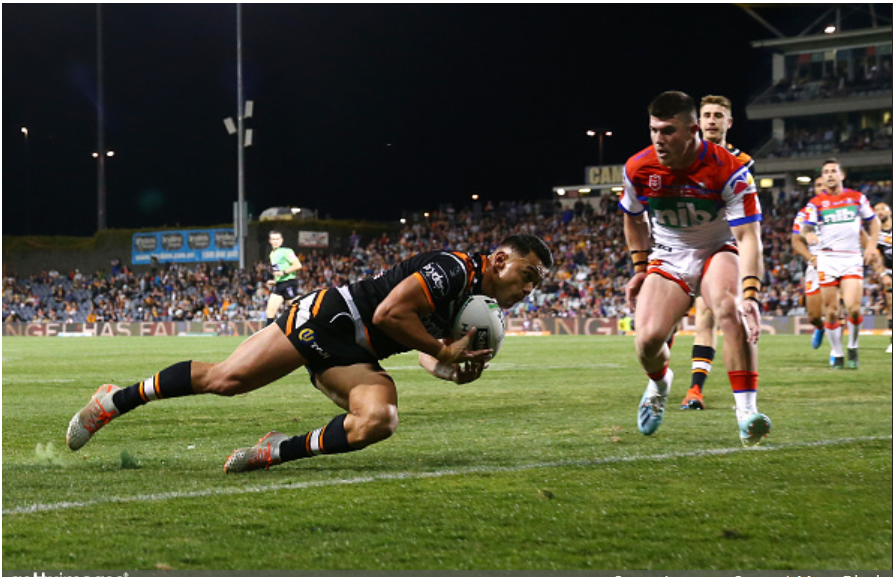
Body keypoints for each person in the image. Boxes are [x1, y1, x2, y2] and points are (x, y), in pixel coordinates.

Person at [66, 235, 554, 473]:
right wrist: (443, 348)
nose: (529, 288)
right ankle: (114, 400)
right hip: (330, 318)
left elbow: (422, 349)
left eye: (537, 283)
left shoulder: (472, 303)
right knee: (227, 380)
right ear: (499, 260)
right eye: (528, 274)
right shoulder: (454, 269)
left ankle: (276, 449)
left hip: (355, 355)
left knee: (379, 419)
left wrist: (449, 368)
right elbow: (389, 314)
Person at [620, 90, 770, 446]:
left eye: (668, 131)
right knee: (647, 340)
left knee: (730, 308)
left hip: (717, 248)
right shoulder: (637, 168)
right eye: (654, 130)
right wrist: (640, 268)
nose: (659, 139)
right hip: (669, 254)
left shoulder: (730, 170)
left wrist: (751, 294)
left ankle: (746, 413)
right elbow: (633, 218)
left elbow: (749, 237)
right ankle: (660, 384)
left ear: (692, 130)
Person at [681, 95, 756, 411]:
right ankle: (668, 384)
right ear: (698, 121)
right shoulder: (684, 155)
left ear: (729, 122)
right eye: (707, 115)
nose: (712, 120)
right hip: (689, 244)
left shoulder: (743, 162)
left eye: (718, 115)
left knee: (713, 313)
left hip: (724, 245)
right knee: (681, 319)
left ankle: (698, 390)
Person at [801, 159, 880, 369]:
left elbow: (873, 221)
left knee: (853, 308)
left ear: (841, 175)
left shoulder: (856, 198)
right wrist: (808, 235)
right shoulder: (816, 203)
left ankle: (853, 346)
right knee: (831, 311)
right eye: (826, 172)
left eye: (833, 171)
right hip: (827, 259)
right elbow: (805, 228)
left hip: (851, 258)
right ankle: (837, 352)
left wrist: (871, 246)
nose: (829, 175)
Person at [790, 177, 828, 351]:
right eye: (818, 185)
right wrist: (811, 258)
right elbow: (796, 241)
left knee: (834, 308)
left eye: (824, 184)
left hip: (839, 261)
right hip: (816, 264)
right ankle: (820, 327)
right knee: (813, 316)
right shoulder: (805, 213)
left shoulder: (843, 207)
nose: (822, 187)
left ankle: (839, 352)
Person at [265, 230, 303, 326]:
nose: (275, 241)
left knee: (297, 311)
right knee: (270, 313)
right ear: (270, 241)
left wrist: (283, 272)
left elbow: (298, 265)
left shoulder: (287, 251)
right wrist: (274, 281)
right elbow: (277, 271)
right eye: (273, 239)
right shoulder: (272, 254)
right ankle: (269, 334)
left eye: (277, 239)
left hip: (289, 283)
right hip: (279, 284)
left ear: (282, 240)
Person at [872, 201, 892, 353]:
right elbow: (876, 258)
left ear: (890, 211)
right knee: (891, 305)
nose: (879, 211)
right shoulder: (876, 235)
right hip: (890, 271)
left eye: (882, 209)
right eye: (876, 209)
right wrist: (883, 274)